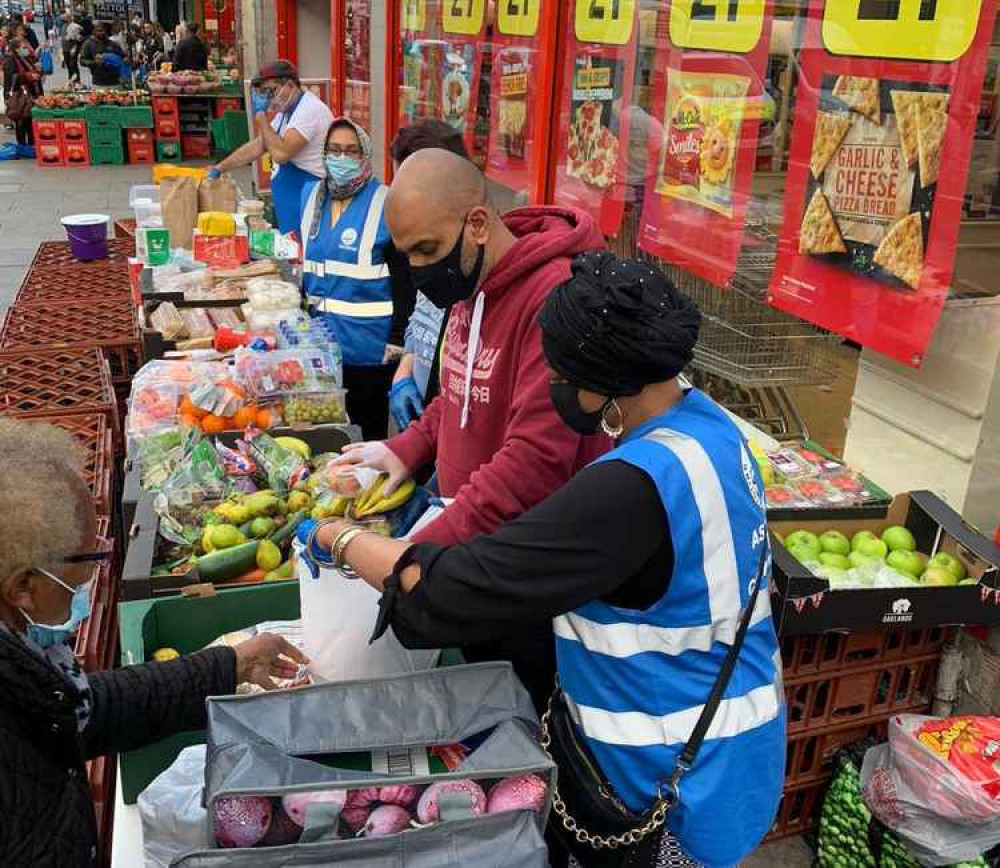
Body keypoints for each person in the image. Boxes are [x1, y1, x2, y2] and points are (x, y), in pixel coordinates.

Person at [315, 253, 785, 868]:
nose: (553, 389)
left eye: (559, 375)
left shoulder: (632, 488)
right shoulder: (709, 429)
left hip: (665, 786)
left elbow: (443, 594)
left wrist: (338, 539)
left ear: (601, 384)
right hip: (735, 750)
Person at [330, 148, 609, 705]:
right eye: (407, 254)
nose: (419, 270)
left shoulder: (553, 299)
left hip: (522, 566)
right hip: (468, 540)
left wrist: (412, 551)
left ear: (478, 223)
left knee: (518, 708)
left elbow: (534, 462)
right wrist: (405, 448)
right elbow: (459, 388)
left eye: (427, 250)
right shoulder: (470, 281)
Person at [0, 419, 307, 866]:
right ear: (23, 586)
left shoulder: (25, 663)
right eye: (88, 560)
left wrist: (228, 665)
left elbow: (82, 708)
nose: (94, 572)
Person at [299, 117, 396, 440]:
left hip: (368, 349)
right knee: (326, 437)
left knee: (366, 438)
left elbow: (405, 280)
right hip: (318, 347)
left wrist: (397, 342)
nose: (341, 158)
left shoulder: (386, 202)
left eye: (352, 151)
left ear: (365, 156)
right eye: (334, 150)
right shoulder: (311, 196)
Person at [385, 120, 471, 432]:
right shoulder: (429, 243)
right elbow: (422, 316)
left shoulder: (469, 268)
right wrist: (406, 369)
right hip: (421, 415)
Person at [214, 60, 333, 235]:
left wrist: (261, 116)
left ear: (290, 85)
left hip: (307, 197)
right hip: (292, 199)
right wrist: (220, 167)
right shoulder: (286, 113)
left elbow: (281, 153)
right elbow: (258, 146)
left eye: (272, 91)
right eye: (264, 94)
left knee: (303, 251)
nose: (270, 99)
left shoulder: (309, 110)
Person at [4, 37, 42, 148]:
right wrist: (27, 76)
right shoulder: (10, 60)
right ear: (16, 49)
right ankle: (22, 146)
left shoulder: (25, 58)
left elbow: (33, 69)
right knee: (21, 121)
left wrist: (37, 71)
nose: (26, 49)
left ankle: (31, 145)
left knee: (29, 120)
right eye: (23, 47)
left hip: (29, 94)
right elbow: (11, 77)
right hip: (18, 95)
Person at [79, 21, 124, 87]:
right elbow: (82, 61)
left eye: (103, 30)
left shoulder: (113, 44)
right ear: (94, 31)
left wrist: (126, 59)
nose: (101, 32)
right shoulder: (88, 44)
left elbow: (123, 57)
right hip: (98, 82)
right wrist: (94, 62)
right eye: (98, 30)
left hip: (115, 81)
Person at [62, 17, 83, 83]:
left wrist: (75, 47)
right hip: (65, 49)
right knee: (68, 64)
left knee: (73, 64)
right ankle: (70, 78)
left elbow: (79, 39)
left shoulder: (75, 26)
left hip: (72, 49)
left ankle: (77, 80)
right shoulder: (64, 26)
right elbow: (63, 37)